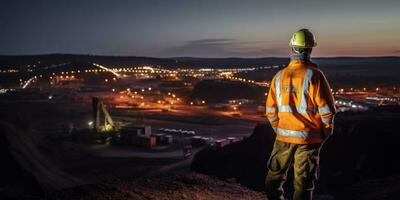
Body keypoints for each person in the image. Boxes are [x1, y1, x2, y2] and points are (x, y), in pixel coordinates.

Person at [265, 29, 336, 200]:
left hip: (282, 138)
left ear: (292, 48)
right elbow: (327, 111)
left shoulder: (278, 76)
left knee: (274, 177)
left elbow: (270, 111)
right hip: (309, 139)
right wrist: (324, 133)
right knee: (303, 183)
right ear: (310, 50)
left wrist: (280, 129)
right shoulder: (315, 76)